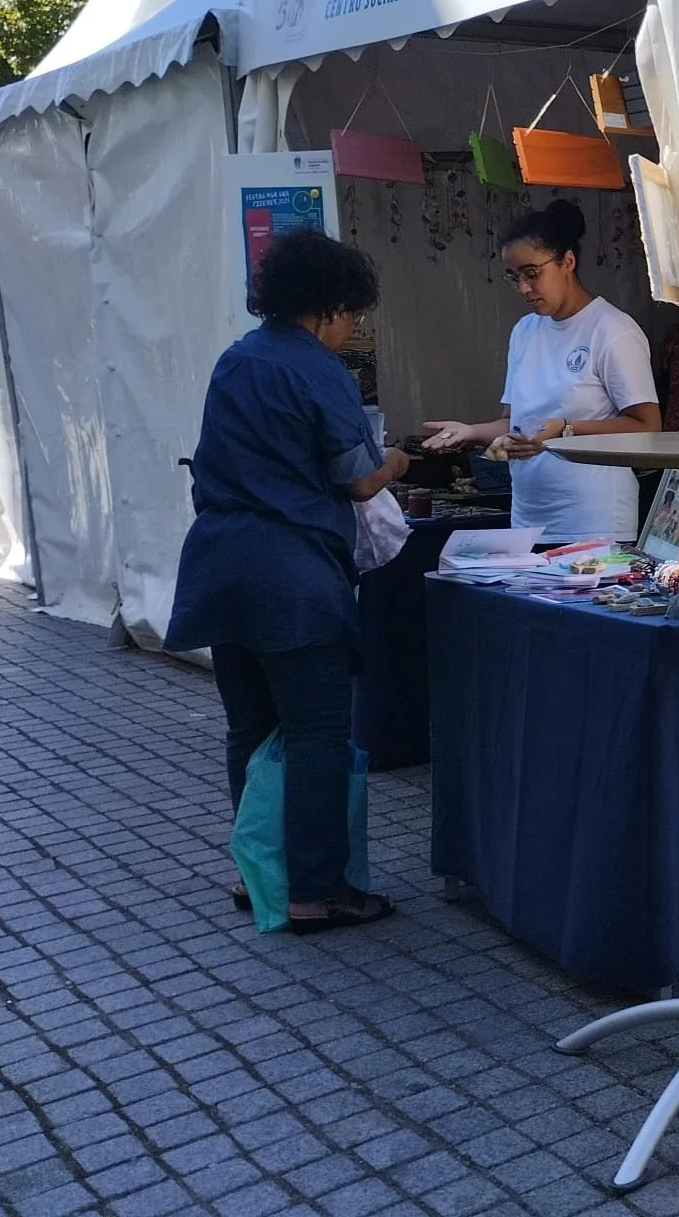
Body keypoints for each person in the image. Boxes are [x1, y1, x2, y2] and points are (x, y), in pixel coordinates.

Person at [169, 230, 410, 934]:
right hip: (293, 576)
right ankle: (315, 890)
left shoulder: (235, 359)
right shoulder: (319, 370)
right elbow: (358, 478)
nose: (350, 328)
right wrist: (397, 460)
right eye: (350, 315)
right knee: (315, 734)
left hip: (219, 566)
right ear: (329, 307)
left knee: (250, 728)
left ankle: (258, 874)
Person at [423, 200, 662, 543]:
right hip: (527, 518)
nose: (523, 288)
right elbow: (515, 424)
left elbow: (648, 428)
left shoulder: (612, 330)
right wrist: (470, 432)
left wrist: (566, 429)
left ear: (568, 261)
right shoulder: (524, 331)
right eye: (514, 277)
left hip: (593, 522)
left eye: (532, 273)